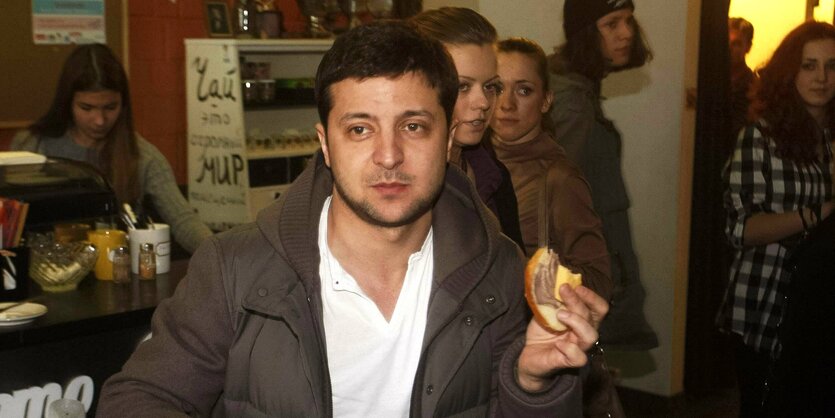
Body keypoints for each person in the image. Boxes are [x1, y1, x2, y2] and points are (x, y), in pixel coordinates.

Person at [97, 21, 608, 417]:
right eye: (360, 129)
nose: (388, 155)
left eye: (413, 125)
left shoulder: (496, 268)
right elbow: (137, 397)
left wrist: (533, 385)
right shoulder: (235, 269)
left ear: (450, 135)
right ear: (324, 143)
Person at [718, 21, 834, 418]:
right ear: (789, 72)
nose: (821, 77)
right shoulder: (760, 137)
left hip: (819, 308)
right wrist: (817, 214)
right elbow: (740, 228)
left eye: (831, 66)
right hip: (766, 301)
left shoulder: (831, 140)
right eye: (809, 65)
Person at [12, 44, 212, 254]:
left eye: (110, 108)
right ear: (67, 103)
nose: (99, 120)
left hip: (116, 274)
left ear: (123, 105)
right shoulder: (32, 146)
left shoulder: (142, 156)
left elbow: (183, 220)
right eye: (86, 108)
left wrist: (224, 257)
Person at [548, 0, 658, 350]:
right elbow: (557, 195)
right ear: (585, 33)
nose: (626, 33)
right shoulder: (572, 100)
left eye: (628, 21)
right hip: (579, 266)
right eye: (611, 24)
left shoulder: (577, 89)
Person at [490, 37, 611, 303]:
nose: (507, 103)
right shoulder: (469, 163)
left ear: (546, 101)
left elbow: (598, 280)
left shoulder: (559, 178)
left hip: (529, 336)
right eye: (497, 88)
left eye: (524, 91)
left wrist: (527, 277)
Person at [410, 7, 525, 252]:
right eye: (462, 86)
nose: (483, 102)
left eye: (491, 86)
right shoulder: (394, 188)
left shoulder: (495, 176)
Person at [729, 17, 756, 147]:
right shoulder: (711, 81)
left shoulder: (753, 87)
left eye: (736, 43)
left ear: (748, 47)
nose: (729, 48)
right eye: (726, 42)